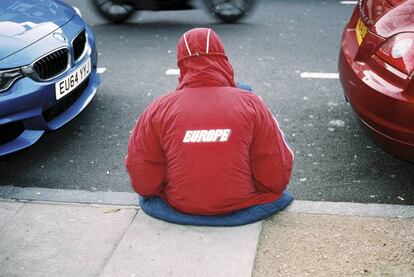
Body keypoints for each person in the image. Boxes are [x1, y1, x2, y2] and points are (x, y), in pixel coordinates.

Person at [126, 28, 294, 226]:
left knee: (150, 198)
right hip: (242, 206)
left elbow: (143, 180)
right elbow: (275, 173)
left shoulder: (159, 108)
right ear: (222, 59)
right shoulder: (251, 103)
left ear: (181, 63)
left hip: (180, 207)